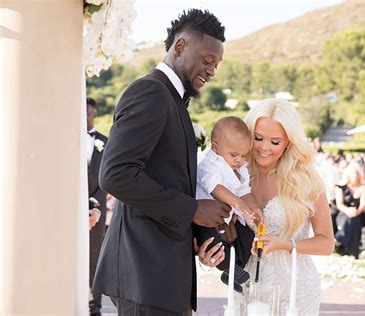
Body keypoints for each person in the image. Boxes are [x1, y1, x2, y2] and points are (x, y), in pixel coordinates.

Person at [92, 9, 231, 315]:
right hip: (144, 272)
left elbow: (169, 180)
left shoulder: (172, 99)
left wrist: (199, 235)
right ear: (180, 47)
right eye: (208, 60)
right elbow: (116, 175)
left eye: (216, 65)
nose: (211, 71)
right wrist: (193, 210)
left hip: (161, 276)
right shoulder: (150, 92)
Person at [201, 99, 334, 314]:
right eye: (258, 138)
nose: (264, 148)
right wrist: (210, 256)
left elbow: (326, 244)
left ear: (288, 143)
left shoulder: (306, 180)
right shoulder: (231, 174)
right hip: (247, 289)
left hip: (295, 293)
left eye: (275, 142)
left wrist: (284, 244)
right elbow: (216, 226)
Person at [194, 116, 263, 292]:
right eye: (234, 155)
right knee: (214, 245)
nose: (239, 160)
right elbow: (213, 187)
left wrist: (253, 208)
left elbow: (245, 192)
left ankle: (234, 270)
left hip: (229, 218)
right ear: (216, 148)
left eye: (243, 155)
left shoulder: (239, 168)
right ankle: (227, 268)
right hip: (207, 219)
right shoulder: (209, 164)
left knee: (247, 236)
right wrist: (237, 203)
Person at [86, 97, 108, 316]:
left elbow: (109, 177)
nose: (84, 117)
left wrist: (94, 202)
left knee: (95, 258)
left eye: (88, 114)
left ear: (95, 114)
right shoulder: (65, 141)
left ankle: (95, 309)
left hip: (97, 209)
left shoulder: (105, 142)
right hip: (69, 209)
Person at [334, 161, 365, 258]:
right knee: (349, 219)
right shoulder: (340, 187)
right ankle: (353, 252)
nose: (355, 175)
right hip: (343, 213)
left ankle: (340, 239)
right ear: (348, 174)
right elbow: (339, 204)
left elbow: (363, 204)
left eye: (357, 172)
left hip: (359, 214)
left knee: (353, 221)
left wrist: (356, 212)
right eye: (353, 172)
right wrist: (348, 211)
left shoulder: (363, 187)